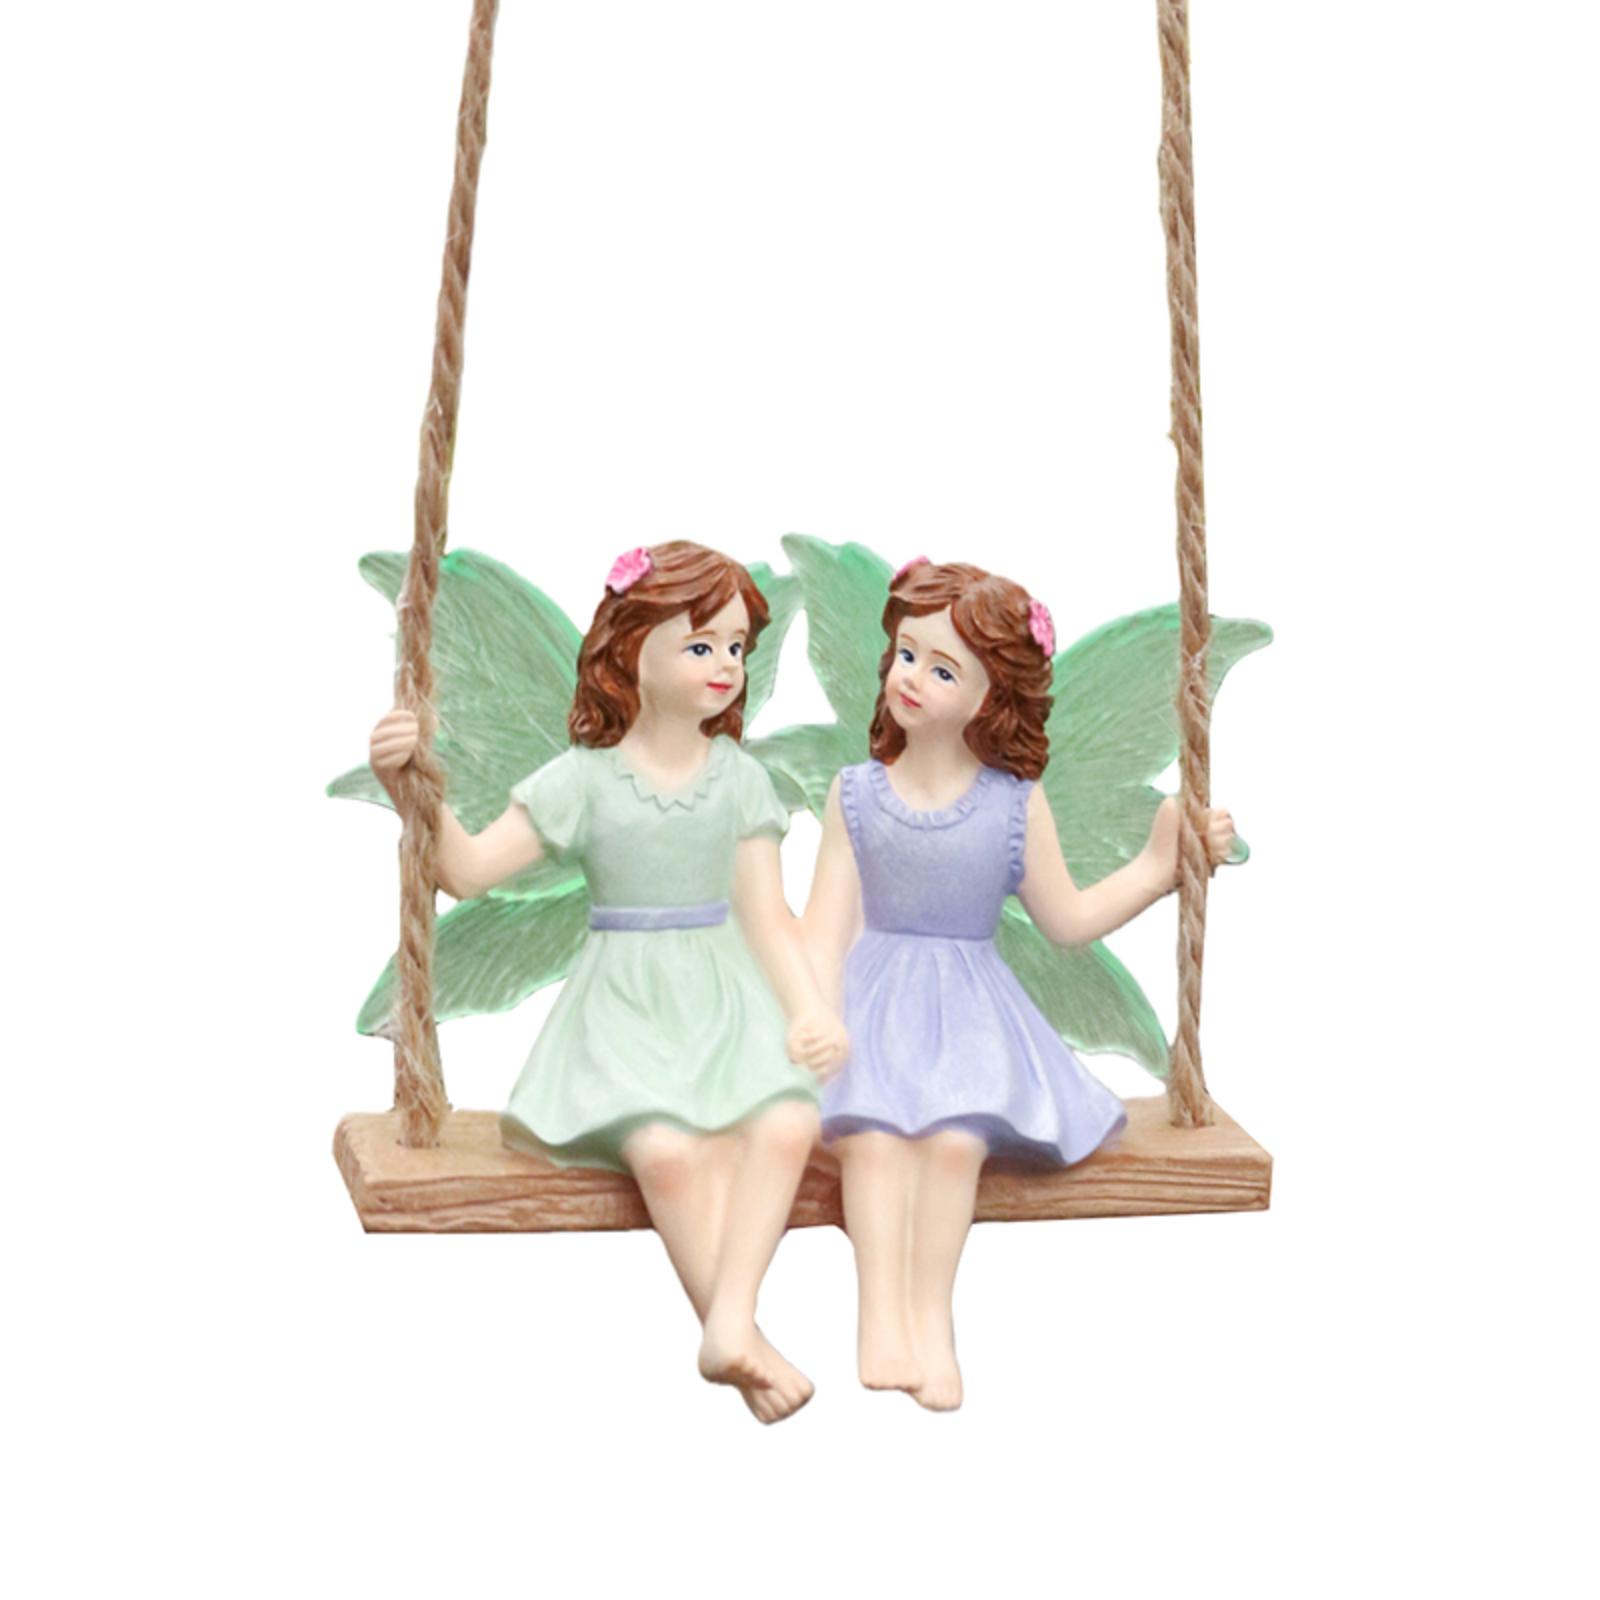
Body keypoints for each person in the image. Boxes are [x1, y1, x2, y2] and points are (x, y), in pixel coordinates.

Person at [371, 541, 847, 1424]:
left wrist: (810, 1007)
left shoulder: (740, 780)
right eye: (700, 645)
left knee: (787, 1122)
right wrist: (413, 789)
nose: (725, 666)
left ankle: (730, 1322)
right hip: (624, 1007)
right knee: (664, 1152)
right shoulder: (584, 780)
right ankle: (736, 1336)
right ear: (631, 650)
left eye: (736, 647)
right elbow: (466, 872)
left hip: (724, 999)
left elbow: (766, 917)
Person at [802, 557, 1236, 1411]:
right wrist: (814, 1010)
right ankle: (878, 1318)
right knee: (873, 1141)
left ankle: (932, 1322)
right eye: (906, 654)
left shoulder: (1012, 804)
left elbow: (1066, 920)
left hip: (971, 1015)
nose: (911, 678)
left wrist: (1160, 868)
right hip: (875, 1003)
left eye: (942, 669)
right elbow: (823, 926)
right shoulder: (855, 796)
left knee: (955, 1142)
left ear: (989, 697)